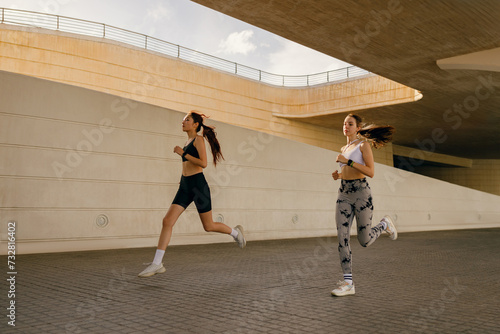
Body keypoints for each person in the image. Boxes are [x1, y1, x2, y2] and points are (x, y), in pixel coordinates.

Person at [138, 111, 246, 278]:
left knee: (208, 226)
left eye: (187, 120)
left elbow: (203, 163)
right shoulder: (188, 141)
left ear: (195, 124)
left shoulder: (198, 140)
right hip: (185, 186)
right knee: (167, 221)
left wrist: (183, 154)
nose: (183, 122)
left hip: (198, 186)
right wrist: (183, 179)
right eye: (183, 119)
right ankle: (157, 263)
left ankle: (236, 233)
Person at [330, 113, 397, 296]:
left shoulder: (363, 145)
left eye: (350, 124)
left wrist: (348, 161)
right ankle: (348, 282)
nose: (346, 126)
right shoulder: (344, 148)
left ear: (358, 128)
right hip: (344, 193)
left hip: (361, 194)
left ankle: (384, 224)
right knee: (342, 236)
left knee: (364, 240)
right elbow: (348, 172)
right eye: (344, 123)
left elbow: (370, 171)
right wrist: (339, 175)